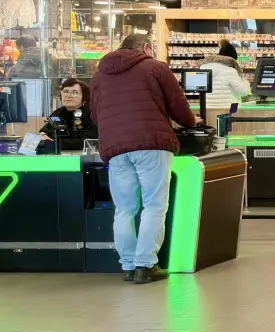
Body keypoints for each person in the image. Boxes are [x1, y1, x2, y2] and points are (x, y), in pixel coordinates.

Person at [90, 32, 198, 284]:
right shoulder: (156, 68)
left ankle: (127, 265)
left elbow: (96, 115)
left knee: (125, 208)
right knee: (154, 204)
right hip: (151, 142)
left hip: (114, 147)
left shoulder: (99, 75)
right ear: (146, 47)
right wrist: (191, 122)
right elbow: (179, 106)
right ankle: (145, 264)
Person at [201, 40, 253, 127]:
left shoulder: (203, 68)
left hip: (207, 111)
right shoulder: (230, 71)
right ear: (232, 59)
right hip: (228, 112)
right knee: (227, 135)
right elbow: (244, 92)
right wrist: (244, 80)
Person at [43, 77, 96, 152]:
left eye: (75, 92)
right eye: (66, 91)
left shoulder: (92, 115)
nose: (69, 95)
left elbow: (87, 142)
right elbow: (45, 132)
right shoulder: (58, 113)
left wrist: (54, 143)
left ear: (84, 97)